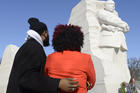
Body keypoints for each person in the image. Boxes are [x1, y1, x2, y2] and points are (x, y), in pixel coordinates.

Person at [6, 18, 79, 93]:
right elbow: (27, 77)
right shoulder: (33, 47)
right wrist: (58, 83)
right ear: (45, 33)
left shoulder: (29, 46)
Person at [44, 24, 96, 93]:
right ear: (79, 41)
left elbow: (46, 77)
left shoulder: (50, 58)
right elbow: (92, 81)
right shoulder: (86, 58)